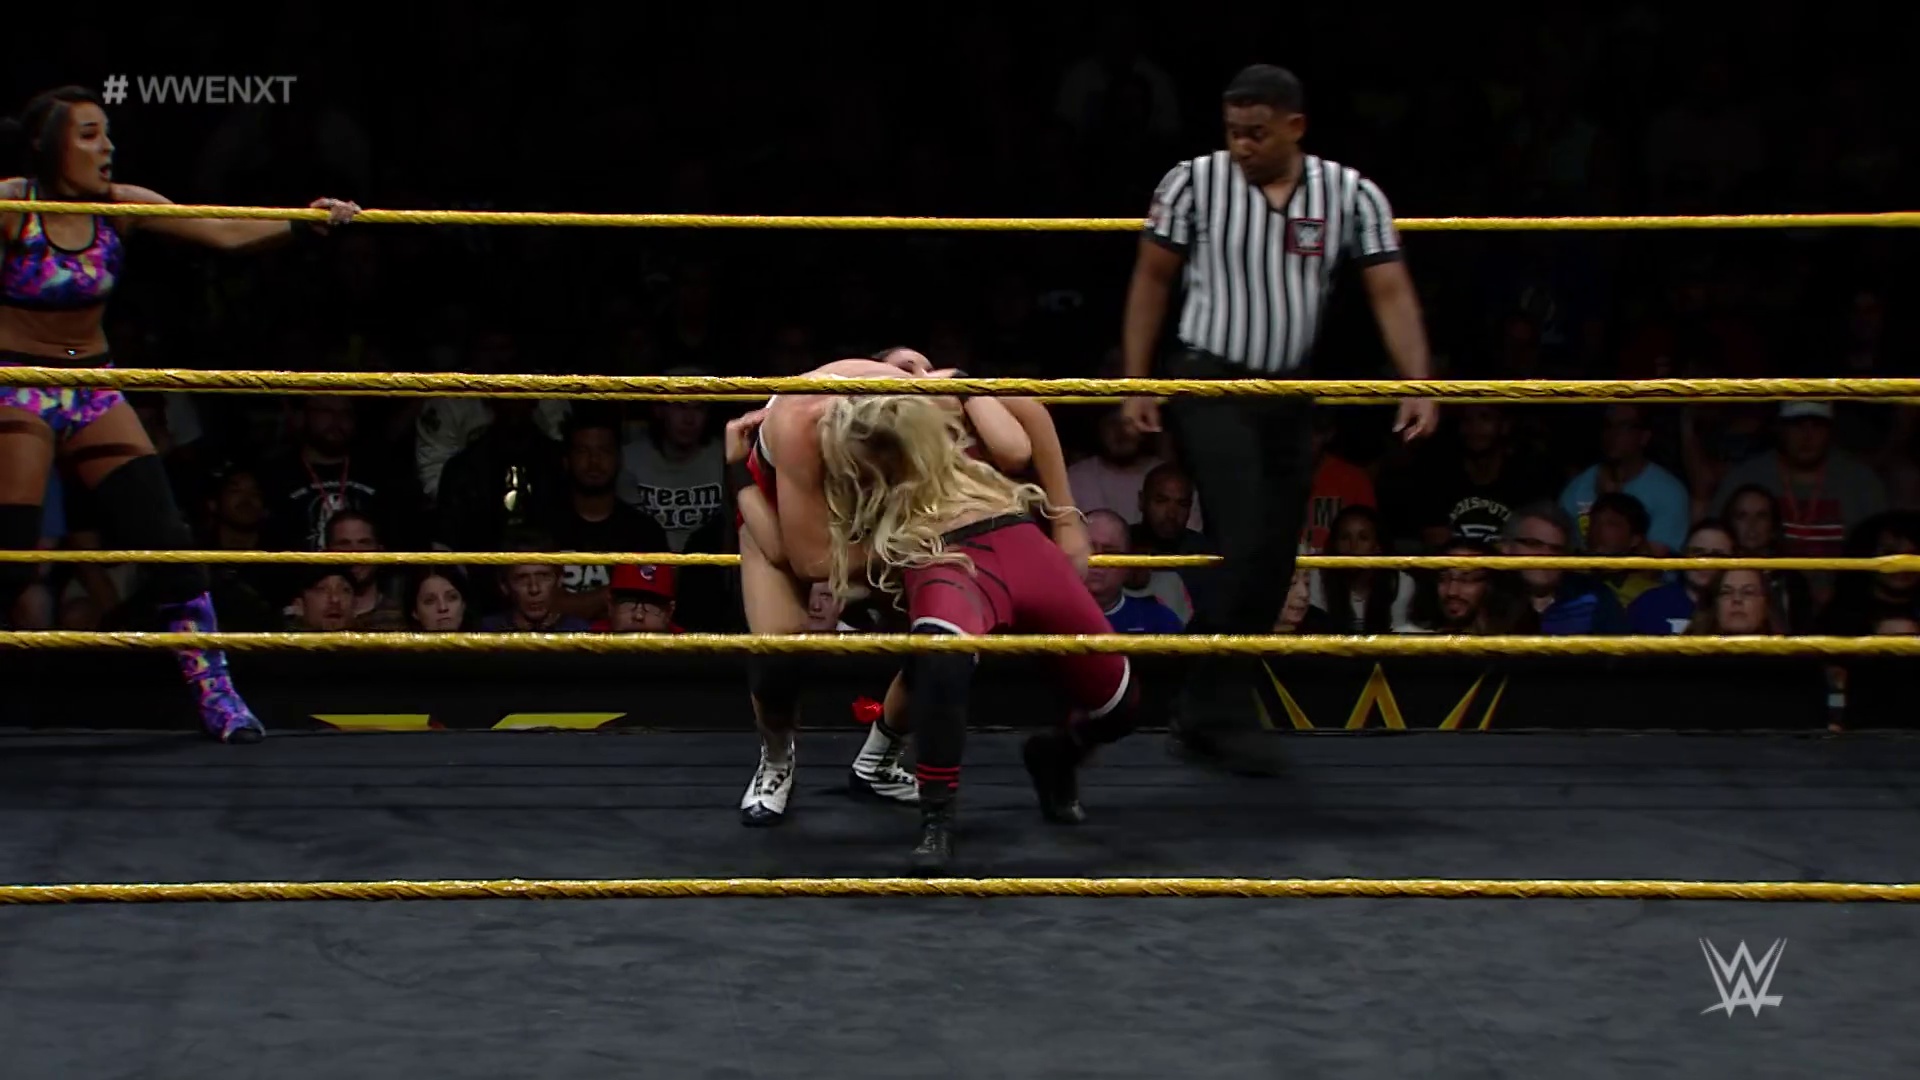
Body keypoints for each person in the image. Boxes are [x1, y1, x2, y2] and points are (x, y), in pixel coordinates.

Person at [0, 85, 359, 743]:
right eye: (88, 134)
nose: (106, 147)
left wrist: (303, 221)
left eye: (107, 133)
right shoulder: (12, 207)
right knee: (13, 555)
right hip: (16, 384)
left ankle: (216, 695)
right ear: (48, 147)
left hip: (93, 384)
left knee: (168, 539)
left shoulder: (119, 206)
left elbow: (221, 230)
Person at [1119, 64, 1437, 772]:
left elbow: (1389, 291)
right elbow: (1152, 277)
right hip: (1208, 379)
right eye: (1233, 131)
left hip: (1290, 394)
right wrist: (1137, 380)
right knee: (1244, 539)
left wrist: (1416, 382)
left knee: (1275, 559)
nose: (1242, 146)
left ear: (1295, 127)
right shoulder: (1192, 182)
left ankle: (1205, 702)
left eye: (1257, 133)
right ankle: (1213, 705)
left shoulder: (1350, 194)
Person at [722, 348, 1086, 826]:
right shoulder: (799, 421)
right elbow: (802, 557)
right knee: (779, 650)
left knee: (937, 635)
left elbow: (1026, 419)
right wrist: (735, 470)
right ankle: (775, 759)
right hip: (786, 510)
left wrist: (1065, 517)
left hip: (891, 514)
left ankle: (878, 760)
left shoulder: (933, 400)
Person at [813, 393, 1146, 873]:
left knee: (1121, 703)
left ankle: (1056, 756)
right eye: (901, 364)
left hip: (1017, 534)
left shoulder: (957, 398)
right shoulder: (851, 427)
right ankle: (937, 818)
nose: (916, 368)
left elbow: (1021, 440)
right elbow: (820, 546)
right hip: (942, 551)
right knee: (940, 659)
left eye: (921, 363)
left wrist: (1065, 514)